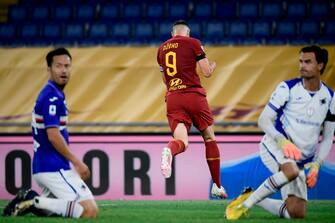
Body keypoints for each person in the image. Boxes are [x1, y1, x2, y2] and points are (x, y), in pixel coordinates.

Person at [225, 45, 335, 219]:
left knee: (296, 213)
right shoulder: (287, 88)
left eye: (307, 62)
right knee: (290, 171)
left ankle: (254, 197)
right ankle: (244, 205)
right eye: (300, 61)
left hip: (300, 159)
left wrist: (317, 164)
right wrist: (282, 141)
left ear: (320, 66)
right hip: (275, 146)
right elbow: (263, 119)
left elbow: (328, 137)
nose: (302, 66)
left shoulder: (330, 97)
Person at [3, 48, 98, 218]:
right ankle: (32, 199)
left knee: (59, 211)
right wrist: (77, 162)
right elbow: (53, 136)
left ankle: (35, 203)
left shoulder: (53, 94)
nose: (64, 70)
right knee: (88, 211)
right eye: (58, 66)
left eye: (67, 66)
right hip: (53, 167)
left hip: (45, 166)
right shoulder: (51, 97)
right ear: (49, 69)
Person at [156, 20, 227, 199]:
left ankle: (169, 150)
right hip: (193, 95)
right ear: (186, 32)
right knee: (209, 138)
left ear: (173, 34)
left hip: (173, 97)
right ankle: (217, 186)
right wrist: (211, 67)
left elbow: (165, 80)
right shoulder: (193, 43)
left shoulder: (161, 50)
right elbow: (206, 72)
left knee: (182, 141)